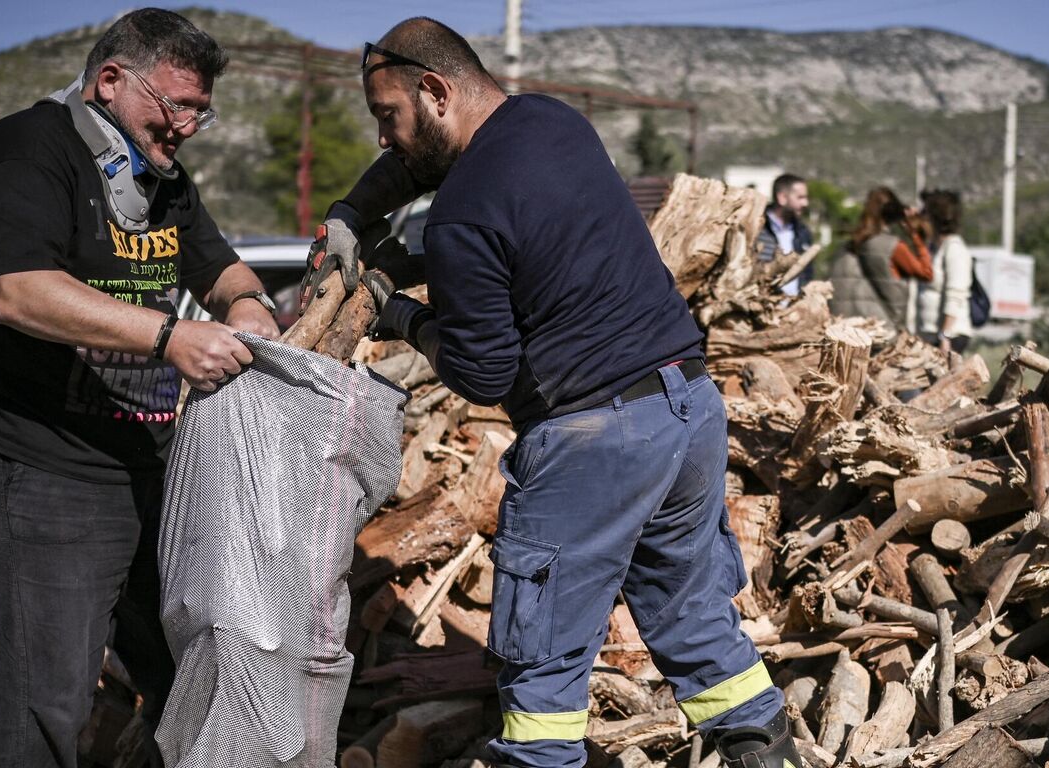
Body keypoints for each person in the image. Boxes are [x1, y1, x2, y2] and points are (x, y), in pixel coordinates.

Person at [308, 17, 801, 768]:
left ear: (436, 92)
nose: (384, 140)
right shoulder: (549, 121)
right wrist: (353, 211)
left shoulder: (462, 215)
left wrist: (396, 308)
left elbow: (483, 375)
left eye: (389, 117)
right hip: (686, 410)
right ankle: (765, 752)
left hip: (594, 443)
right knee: (693, 619)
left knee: (542, 673)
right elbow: (435, 174)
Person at [0, 9, 277, 766]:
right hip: (35, 462)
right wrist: (166, 336)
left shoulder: (160, 175)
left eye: (199, 113)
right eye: (174, 104)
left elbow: (220, 268)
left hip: (141, 461)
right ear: (111, 81)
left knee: (183, 664)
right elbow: (16, 293)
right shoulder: (27, 152)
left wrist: (247, 306)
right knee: (42, 699)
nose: (184, 126)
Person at [829, 186, 933, 329]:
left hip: (844, 328)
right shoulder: (892, 246)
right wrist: (915, 235)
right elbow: (926, 273)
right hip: (880, 330)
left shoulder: (846, 246)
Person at [917, 189, 974, 351]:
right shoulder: (932, 248)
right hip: (929, 336)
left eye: (925, 213)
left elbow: (955, 293)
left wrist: (945, 335)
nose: (921, 217)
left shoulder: (954, 248)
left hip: (949, 338)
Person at [755, 173, 814, 295]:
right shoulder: (758, 227)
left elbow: (807, 274)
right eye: (800, 197)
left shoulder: (803, 232)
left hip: (793, 309)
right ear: (782, 197)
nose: (805, 203)